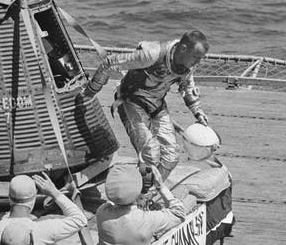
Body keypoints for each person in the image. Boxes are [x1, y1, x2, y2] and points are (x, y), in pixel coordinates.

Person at [83, 30, 210, 180]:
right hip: (131, 101)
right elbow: (110, 63)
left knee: (172, 156)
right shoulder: (152, 54)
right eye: (196, 57)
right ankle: (141, 194)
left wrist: (198, 113)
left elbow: (187, 87)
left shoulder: (187, 66)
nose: (197, 63)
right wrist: (90, 92)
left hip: (156, 105)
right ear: (183, 49)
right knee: (150, 153)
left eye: (200, 59)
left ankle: (152, 192)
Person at [0, 173, 87, 245]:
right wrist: (54, 192)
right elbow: (80, 220)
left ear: (9, 196)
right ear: (34, 198)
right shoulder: (42, 230)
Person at [96, 164, 186, 245]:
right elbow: (179, 213)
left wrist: (130, 182)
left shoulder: (102, 212)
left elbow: (118, 196)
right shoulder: (147, 220)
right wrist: (160, 185)